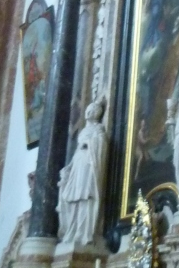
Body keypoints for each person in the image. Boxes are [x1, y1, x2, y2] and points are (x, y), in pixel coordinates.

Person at [57, 98, 107, 245]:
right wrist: (69, 167)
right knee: (75, 197)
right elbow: (76, 152)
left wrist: (89, 143)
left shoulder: (98, 129)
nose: (88, 112)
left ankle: (84, 232)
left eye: (91, 110)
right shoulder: (84, 130)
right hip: (78, 164)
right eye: (87, 110)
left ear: (97, 113)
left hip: (89, 165)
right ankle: (73, 231)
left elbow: (101, 144)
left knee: (86, 196)